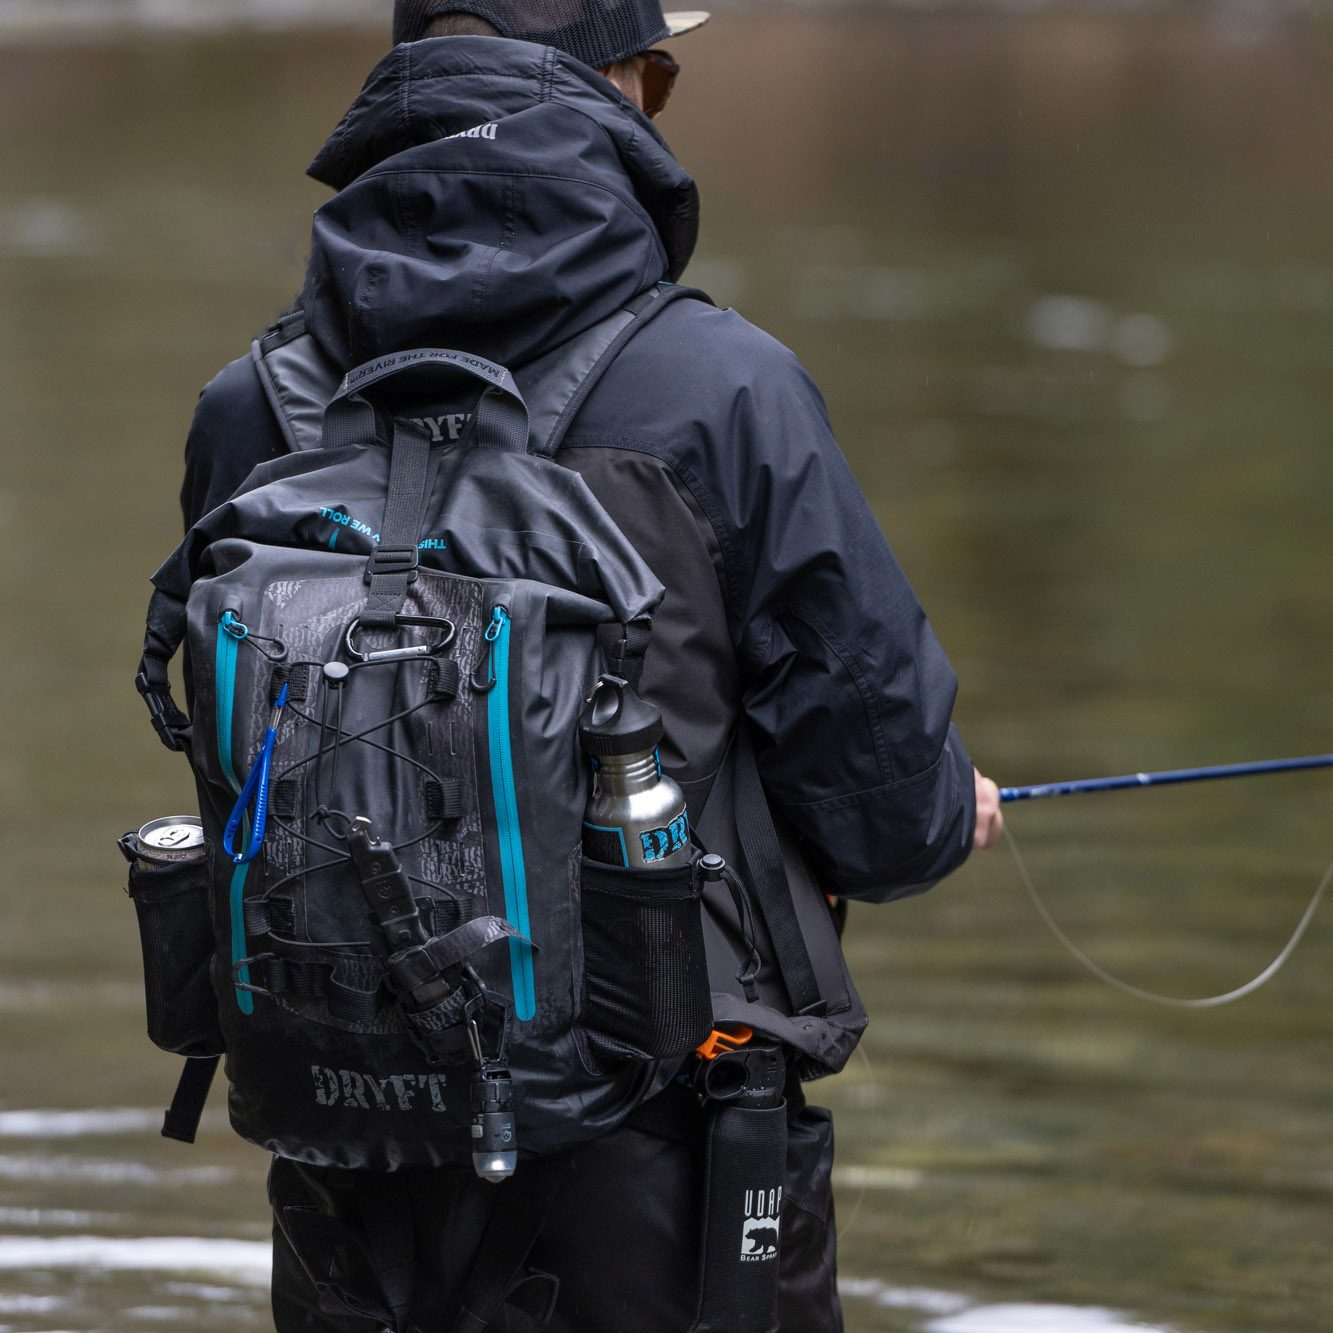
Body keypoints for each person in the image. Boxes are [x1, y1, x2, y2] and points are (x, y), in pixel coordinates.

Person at [176, 2, 1004, 1328]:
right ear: (610, 80)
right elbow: (892, 822)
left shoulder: (251, 408)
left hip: (343, 1140)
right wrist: (946, 799)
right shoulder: (724, 390)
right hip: (666, 1157)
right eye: (657, 76)